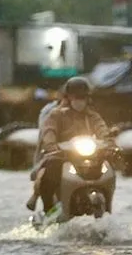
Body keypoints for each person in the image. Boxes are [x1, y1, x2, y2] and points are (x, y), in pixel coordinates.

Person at [34, 76, 112, 216]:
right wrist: (51, 145)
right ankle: (49, 209)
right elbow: (49, 131)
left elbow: (102, 130)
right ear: (68, 97)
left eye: (83, 97)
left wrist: (110, 143)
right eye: (76, 96)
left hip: (88, 156)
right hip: (62, 157)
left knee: (107, 167)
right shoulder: (57, 115)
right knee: (49, 173)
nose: (79, 100)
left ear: (87, 98)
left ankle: (107, 205)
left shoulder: (92, 116)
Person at [25, 86, 65, 211]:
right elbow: (46, 130)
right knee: (45, 171)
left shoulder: (86, 112)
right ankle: (38, 196)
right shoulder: (50, 112)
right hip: (52, 151)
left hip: (78, 151)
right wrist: (51, 144)